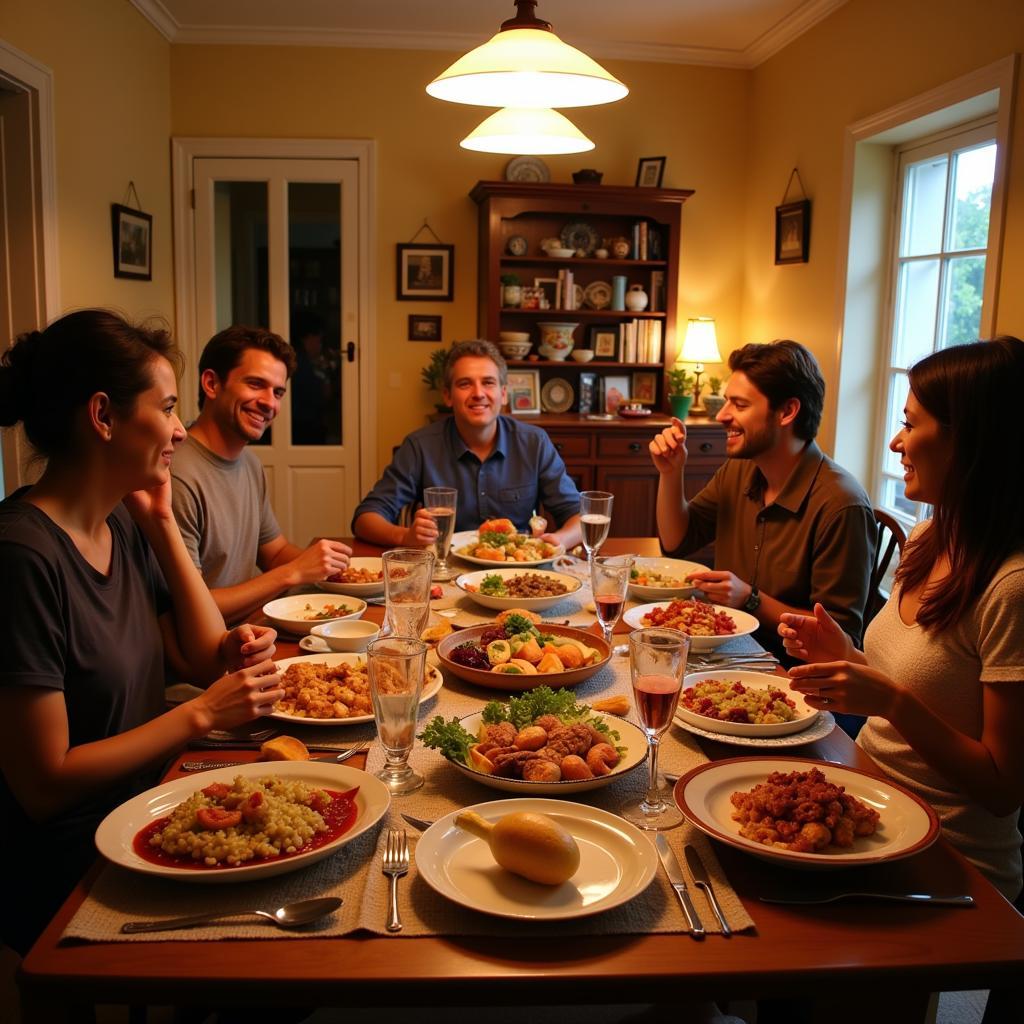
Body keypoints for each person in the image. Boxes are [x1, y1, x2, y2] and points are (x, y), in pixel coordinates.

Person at [0, 310, 285, 954]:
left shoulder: (120, 523)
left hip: (152, 803)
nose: (181, 430)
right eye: (168, 408)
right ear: (103, 417)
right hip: (70, 856)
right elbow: (43, 784)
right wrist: (201, 717)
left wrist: (158, 520)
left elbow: (208, 657)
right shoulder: (23, 556)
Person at [780, 337, 1024, 901]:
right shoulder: (927, 536)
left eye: (912, 426)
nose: (896, 443)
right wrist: (845, 657)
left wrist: (888, 702)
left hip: (951, 860)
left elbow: (1002, 788)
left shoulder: (1010, 587)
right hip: (870, 806)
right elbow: (919, 686)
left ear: (973, 442)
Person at [649, 340, 875, 658]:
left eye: (739, 405)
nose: (722, 416)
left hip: (792, 673)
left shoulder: (841, 505)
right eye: (726, 402)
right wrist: (671, 473)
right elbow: (676, 541)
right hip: (727, 649)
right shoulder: (739, 470)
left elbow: (839, 640)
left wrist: (751, 599)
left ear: (787, 412)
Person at [171, 325, 352, 623]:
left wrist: (339, 572)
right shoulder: (177, 474)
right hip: (213, 655)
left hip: (253, 628)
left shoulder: (250, 464)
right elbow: (194, 609)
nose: (270, 403)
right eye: (256, 384)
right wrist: (294, 572)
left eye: (278, 392)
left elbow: (275, 552)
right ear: (212, 384)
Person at [352, 340, 583, 550]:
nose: (478, 393)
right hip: (445, 570)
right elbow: (365, 518)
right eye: (465, 384)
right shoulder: (420, 446)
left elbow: (578, 515)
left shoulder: (534, 442)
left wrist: (560, 540)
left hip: (516, 572)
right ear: (448, 396)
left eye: (488, 383)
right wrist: (405, 537)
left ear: (503, 394)